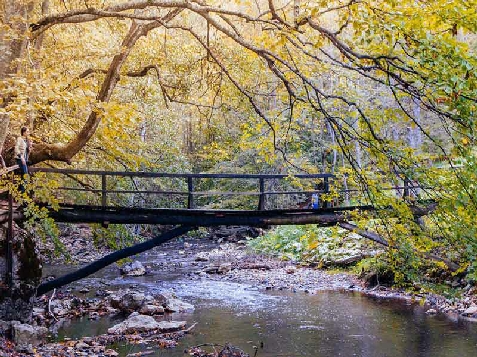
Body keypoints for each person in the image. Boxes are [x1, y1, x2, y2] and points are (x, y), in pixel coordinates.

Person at [14, 126, 30, 192]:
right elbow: (16, 148)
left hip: (25, 160)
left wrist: (29, 148)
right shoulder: (19, 139)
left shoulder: (26, 140)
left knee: (24, 177)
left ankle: (20, 192)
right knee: (26, 176)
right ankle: (23, 195)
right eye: (27, 131)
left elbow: (26, 151)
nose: (28, 133)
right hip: (20, 159)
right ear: (23, 132)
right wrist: (21, 157)